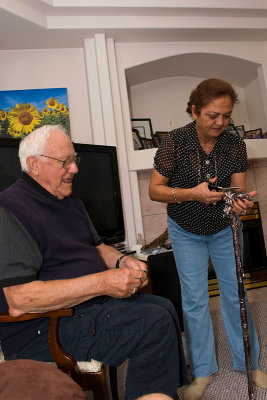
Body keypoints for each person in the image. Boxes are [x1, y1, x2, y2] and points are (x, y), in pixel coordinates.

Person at [0, 125, 188, 400]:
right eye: (65, 162)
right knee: (152, 320)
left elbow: (97, 246)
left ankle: (160, 392)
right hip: (45, 327)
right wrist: (102, 283)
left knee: (164, 306)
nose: (74, 169)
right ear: (34, 164)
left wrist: (123, 261)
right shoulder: (9, 209)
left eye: (74, 160)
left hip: (87, 308)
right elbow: (19, 300)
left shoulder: (70, 199)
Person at [149, 78, 267, 400]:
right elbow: (155, 190)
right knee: (196, 301)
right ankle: (201, 372)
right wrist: (192, 194)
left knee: (236, 294)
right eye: (213, 115)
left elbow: (237, 191)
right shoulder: (174, 142)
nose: (220, 123)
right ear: (194, 111)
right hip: (185, 231)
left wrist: (240, 202)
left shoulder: (235, 144)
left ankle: (249, 364)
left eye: (226, 116)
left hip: (224, 228)